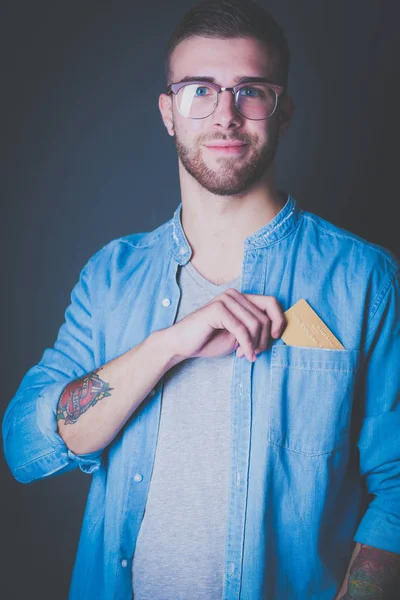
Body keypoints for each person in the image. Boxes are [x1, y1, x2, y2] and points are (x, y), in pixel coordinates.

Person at [3, 0, 400, 598]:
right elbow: (28, 446)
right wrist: (169, 345)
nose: (225, 115)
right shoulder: (112, 276)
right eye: (199, 91)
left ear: (283, 110)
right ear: (168, 112)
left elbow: (397, 485)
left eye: (251, 91)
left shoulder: (364, 280)